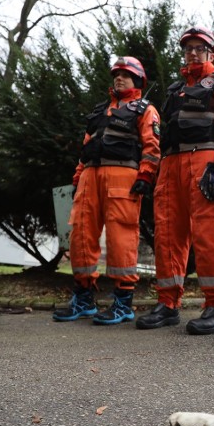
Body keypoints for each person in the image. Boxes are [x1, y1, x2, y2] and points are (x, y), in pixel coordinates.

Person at [134, 27, 214, 334]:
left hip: (207, 163)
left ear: (212, 53)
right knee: (168, 236)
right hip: (171, 166)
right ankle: (167, 304)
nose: (193, 53)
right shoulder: (174, 92)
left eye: (200, 48)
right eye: (188, 49)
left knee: (210, 233)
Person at [52, 56, 161, 325]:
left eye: (125, 74)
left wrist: (146, 175)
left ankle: (123, 303)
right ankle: (83, 298)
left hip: (122, 176)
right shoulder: (100, 111)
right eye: (116, 74)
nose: (119, 78)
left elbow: (152, 146)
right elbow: (86, 146)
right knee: (80, 235)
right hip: (90, 176)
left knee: (121, 236)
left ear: (137, 80)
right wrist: (78, 176)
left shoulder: (146, 110)